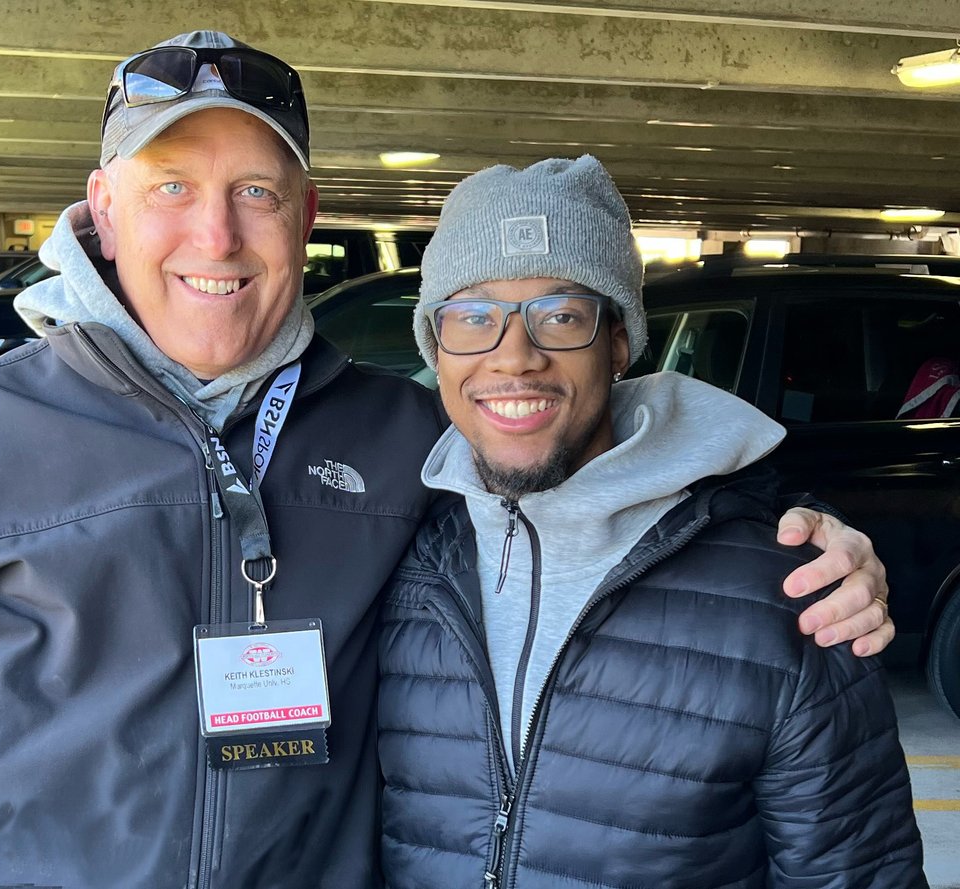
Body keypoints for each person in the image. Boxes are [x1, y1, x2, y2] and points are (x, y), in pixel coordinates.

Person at [0, 32, 891, 889]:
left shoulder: (401, 436)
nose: (216, 235)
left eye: (256, 192)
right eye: (171, 185)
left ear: (305, 216)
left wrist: (796, 529)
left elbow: (582, 450)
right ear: (104, 210)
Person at [377, 156, 925, 888]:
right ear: (435, 350)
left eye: (560, 315)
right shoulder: (397, 557)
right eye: (473, 316)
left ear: (618, 343)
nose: (514, 357)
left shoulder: (794, 595)